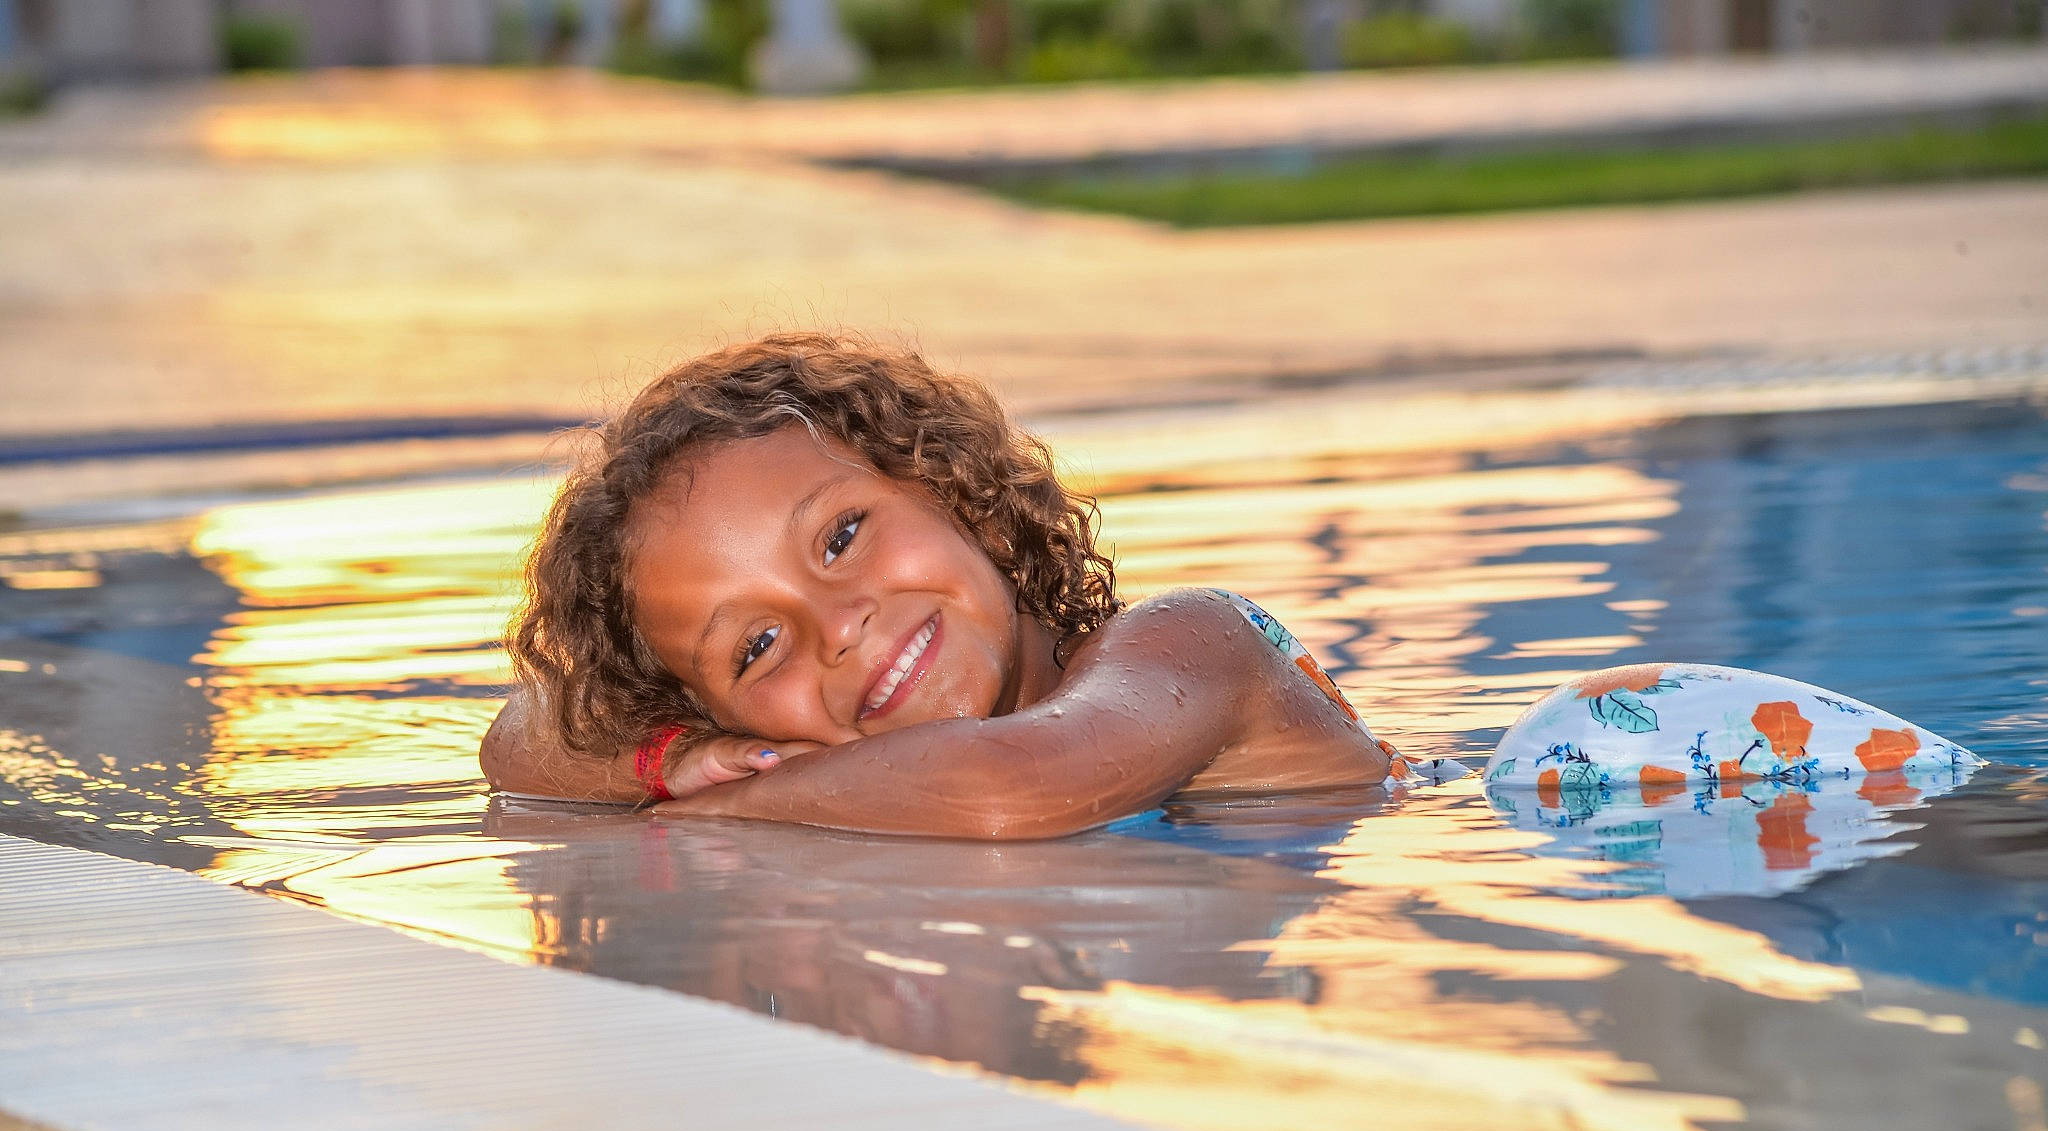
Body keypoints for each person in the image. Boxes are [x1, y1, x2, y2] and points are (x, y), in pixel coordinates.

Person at [480, 333, 1979, 839]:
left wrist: (723, 797)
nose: (841, 625)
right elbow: (523, 739)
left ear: (954, 490)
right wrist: (673, 751)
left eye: (843, 537)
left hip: (1690, 770)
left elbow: (1015, 789)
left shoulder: (1183, 646)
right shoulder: (818, 748)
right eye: (756, 648)